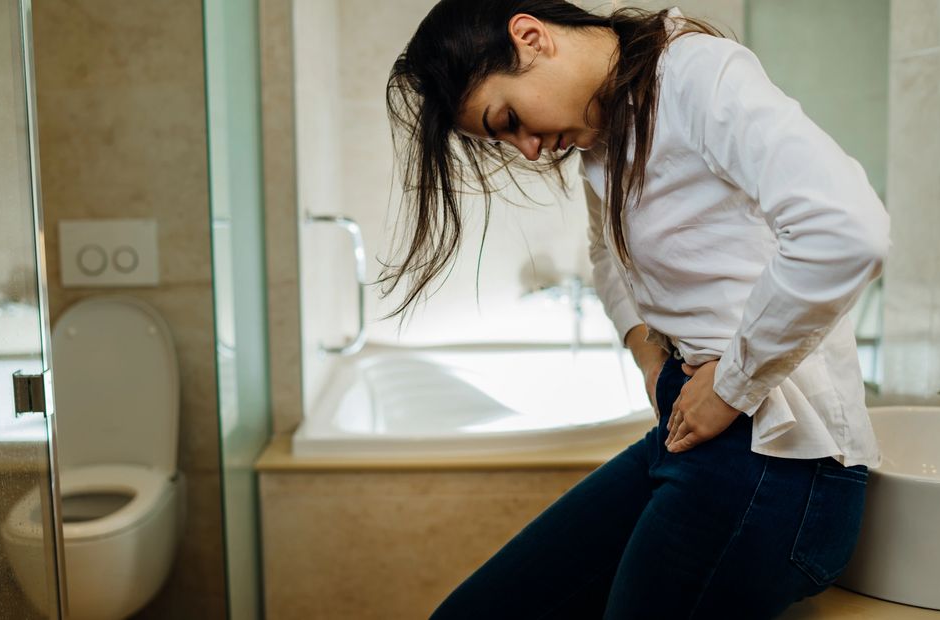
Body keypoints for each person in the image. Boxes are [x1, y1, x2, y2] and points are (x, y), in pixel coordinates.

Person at [379, 1, 890, 618]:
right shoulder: (604, 124)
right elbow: (606, 252)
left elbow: (846, 230)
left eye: (510, 118)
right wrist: (649, 353)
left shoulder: (696, 74)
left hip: (780, 459)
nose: (531, 150)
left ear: (530, 37)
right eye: (505, 139)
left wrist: (730, 384)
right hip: (693, 435)